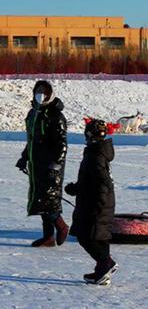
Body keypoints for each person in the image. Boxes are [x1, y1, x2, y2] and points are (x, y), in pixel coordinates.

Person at [15, 80, 69, 247]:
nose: (40, 94)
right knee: (40, 199)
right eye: (38, 91)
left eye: (44, 92)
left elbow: (62, 144)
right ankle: (48, 237)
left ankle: (61, 226)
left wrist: (56, 164)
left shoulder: (55, 115)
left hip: (51, 164)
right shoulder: (33, 114)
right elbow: (32, 140)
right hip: (36, 163)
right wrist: (25, 157)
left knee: (49, 197)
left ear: (50, 94)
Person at [65, 119, 117, 285]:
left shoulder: (95, 154)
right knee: (100, 236)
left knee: (85, 236)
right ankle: (102, 271)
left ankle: (105, 263)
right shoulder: (98, 151)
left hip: (96, 202)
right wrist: (76, 188)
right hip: (99, 200)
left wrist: (98, 203)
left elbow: (101, 182)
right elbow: (92, 180)